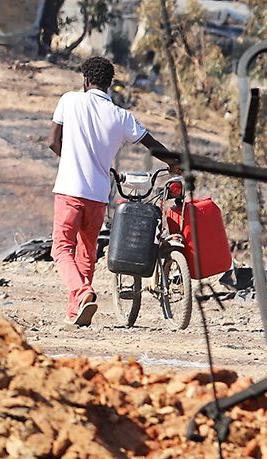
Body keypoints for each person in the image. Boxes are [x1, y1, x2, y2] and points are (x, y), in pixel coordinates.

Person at [48, 57, 181, 327]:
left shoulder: (69, 101)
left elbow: (53, 142)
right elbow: (150, 143)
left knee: (61, 248)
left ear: (85, 80)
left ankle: (82, 292)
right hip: (98, 195)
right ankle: (77, 311)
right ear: (110, 84)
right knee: (86, 252)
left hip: (69, 191)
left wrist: (72, 160)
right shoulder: (121, 116)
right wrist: (174, 164)